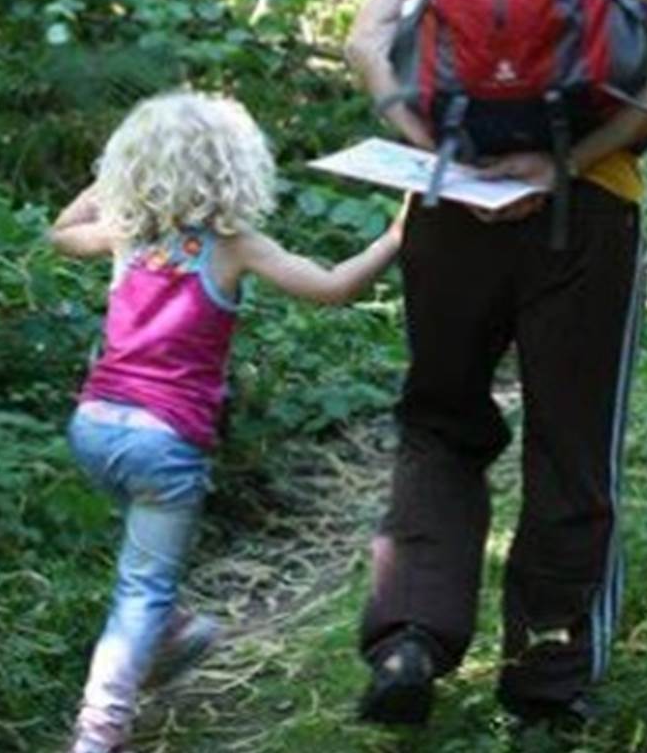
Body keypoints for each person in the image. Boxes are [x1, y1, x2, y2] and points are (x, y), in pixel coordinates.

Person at [344, 0, 647, 729]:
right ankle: (547, 681)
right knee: (573, 442)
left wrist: (433, 153)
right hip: (585, 213)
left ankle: (410, 638)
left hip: (450, 209)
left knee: (439, 417)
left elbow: (365, 43)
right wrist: (572, 160)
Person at [49, 91, 405, 753]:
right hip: (163, 440)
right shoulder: (234, 246)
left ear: (137, 166)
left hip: (94, 428)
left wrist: (119, 183)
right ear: (236, 169)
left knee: (145, 576)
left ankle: (163, 633)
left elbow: (59, 230)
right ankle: (98, 734)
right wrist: (393, 238)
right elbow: (333, 288)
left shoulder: (125, 232)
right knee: (142, 589)